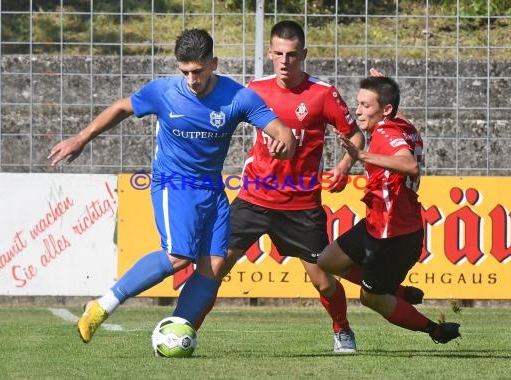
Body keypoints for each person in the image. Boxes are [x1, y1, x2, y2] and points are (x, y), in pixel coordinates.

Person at [47, 28, 296, 343]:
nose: (191, 79)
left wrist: (284, 143)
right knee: (179, 256)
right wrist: (81, 138)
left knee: (214, 265)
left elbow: (282, 132)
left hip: (212, 189)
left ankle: (175, 332)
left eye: (198, 71)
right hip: (173, 182)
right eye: (185, 72)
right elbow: (122, 107)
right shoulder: (164, 92)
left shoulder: (237, 97)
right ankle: (101, 306)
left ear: (213, 63)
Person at [194, 21, 421, 353]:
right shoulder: (254, 89)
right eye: (279, 54)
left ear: (303, 55)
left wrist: (343, 166)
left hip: (301, 206)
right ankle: (185, 328)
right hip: (254, 197)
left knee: (324, 280)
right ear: (270, 54)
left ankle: (342, 330)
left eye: (292, 55)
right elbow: (220, 120)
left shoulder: (322, 94)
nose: (285, 61)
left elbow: (355, 134)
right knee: (214, 268)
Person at [317, 75, 461, 344]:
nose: (358, 111)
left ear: (385, 110)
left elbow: (409, 165)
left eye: (365, 106)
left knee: (370, 297)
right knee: (327, 260)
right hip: (379, 222)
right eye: (358, 104)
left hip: (391, 234)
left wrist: (361, 156)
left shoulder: (386, 132)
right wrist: (383, 87)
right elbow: (395, 114)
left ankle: (435, 330)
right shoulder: (402, 124)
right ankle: (397, 290)